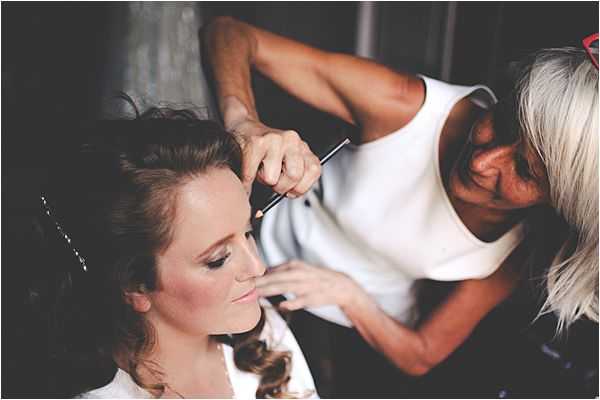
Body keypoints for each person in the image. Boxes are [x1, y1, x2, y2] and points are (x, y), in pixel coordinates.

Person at [202, 17, 598, 397]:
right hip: (257, 263)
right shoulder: (404, 106)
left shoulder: (519, 248)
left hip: (359, 339)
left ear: (559, 200)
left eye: (525, 170)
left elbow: (422, 353)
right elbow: (230, 34)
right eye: (506, 122)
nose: (482, 161)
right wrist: (243, 121)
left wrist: (346, 293)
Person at [27, 102, 318, 399]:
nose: (257, 267)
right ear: (134, 285)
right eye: (218, 260)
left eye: (248, 232)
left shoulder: (264, 335)